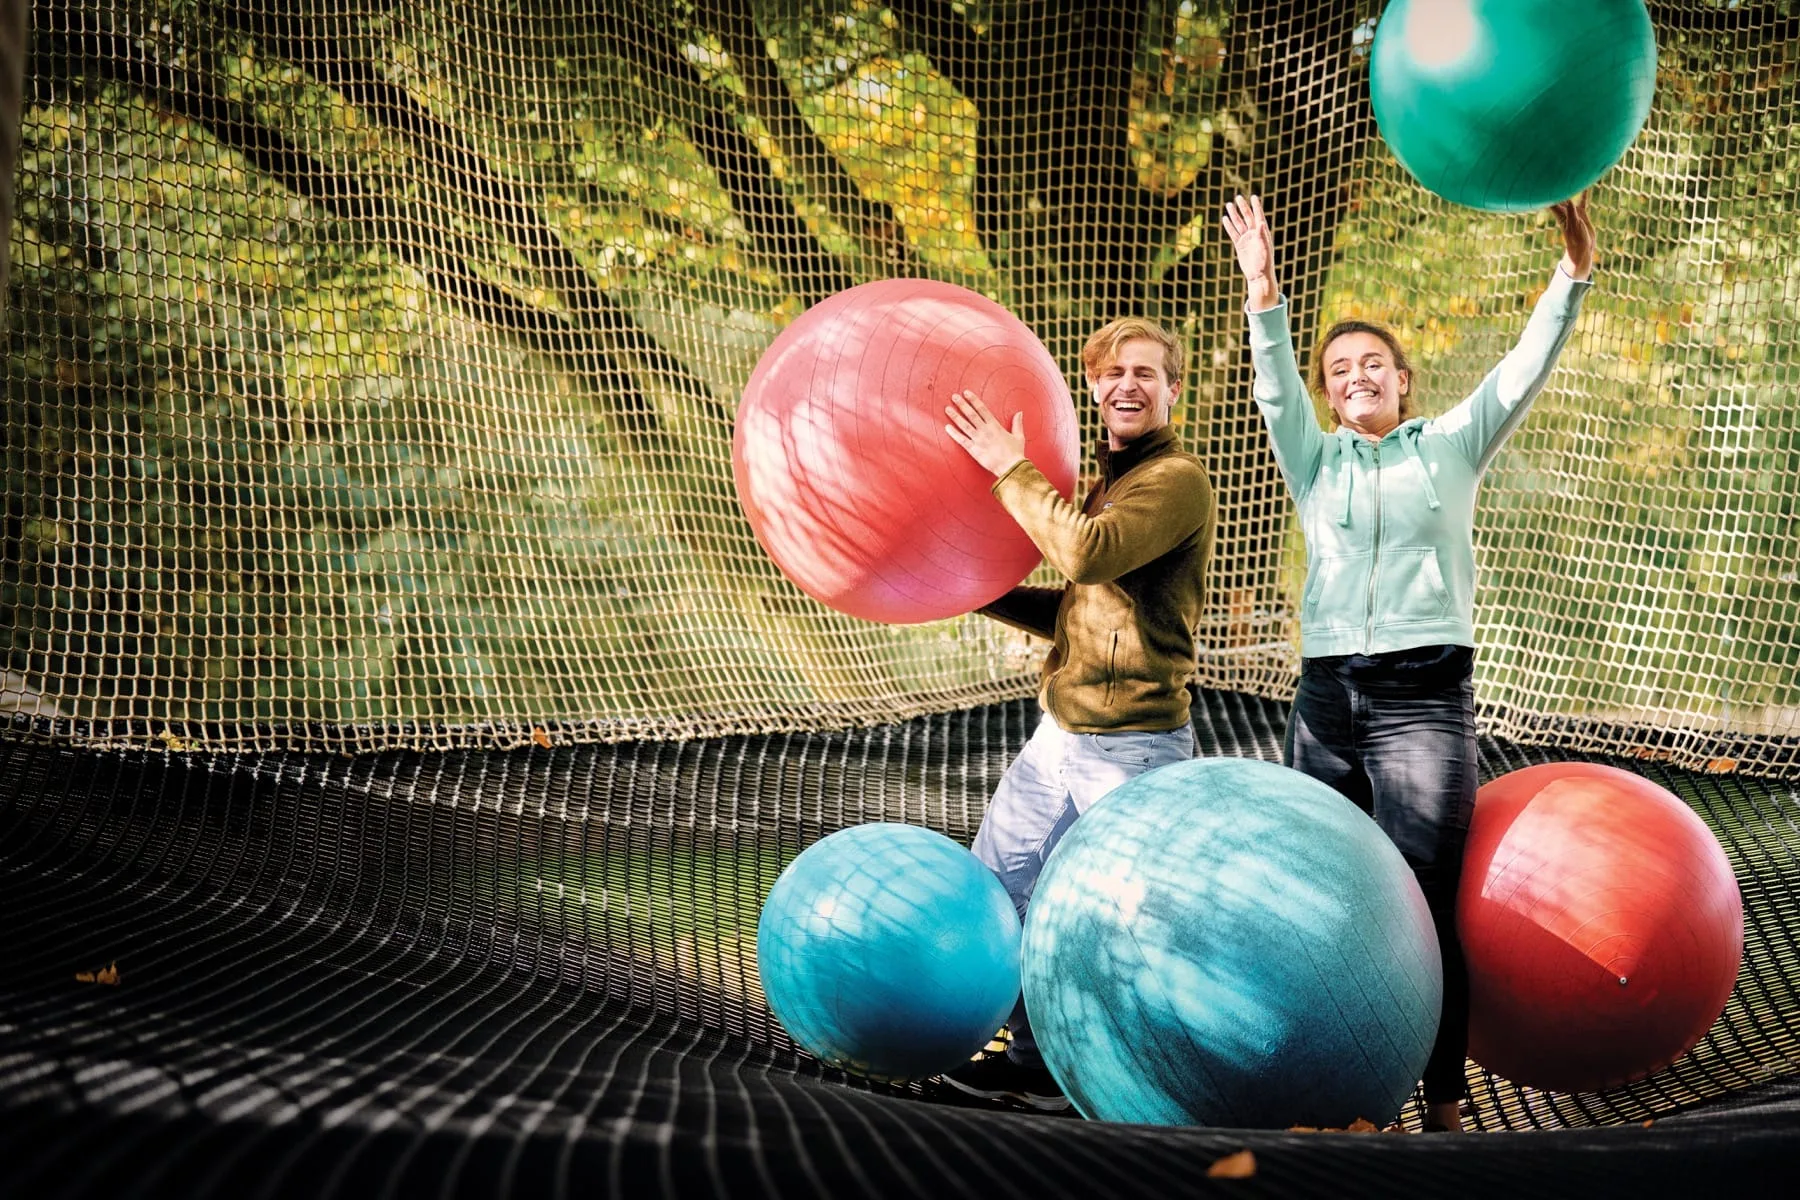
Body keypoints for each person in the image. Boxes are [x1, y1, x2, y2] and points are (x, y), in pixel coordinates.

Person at [1220, 190, 1596, 1132]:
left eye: (1372, 364)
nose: (1355, 376)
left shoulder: (1452, 448)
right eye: (1339, 367)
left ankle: (1443, 1097)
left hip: (1424, 696)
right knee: (1319, 896)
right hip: (1327, 698)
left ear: (1402, 379)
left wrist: (1572, 274)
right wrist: (1262, 291)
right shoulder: (1314, 464)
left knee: (1422, 899)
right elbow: (1272, 387)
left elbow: (1524, 368)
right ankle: (1330, 1083)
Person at [936, 316, 1217, 1112]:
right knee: (1000, 890)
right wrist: (968, 589)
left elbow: (1088, 553)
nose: (1127, 384)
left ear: (1172, 390)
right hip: (1060, 736)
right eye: (1111, 372)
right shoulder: (1111, 478)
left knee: (1103, 925)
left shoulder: (1176, 481)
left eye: (1145, 373)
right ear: (1093, 388)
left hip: (1133, 751)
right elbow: (1080, 606)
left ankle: (1103, 1077)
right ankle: (1031, 1062)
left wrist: (1008, 467)